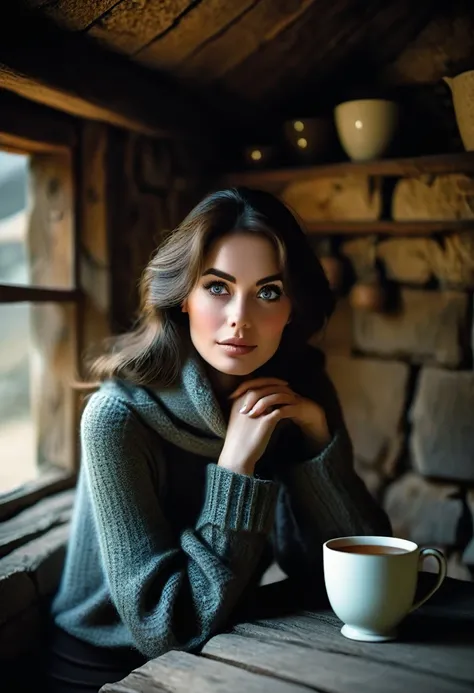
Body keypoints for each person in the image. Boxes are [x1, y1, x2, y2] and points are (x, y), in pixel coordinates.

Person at [45, 187, 392, 691]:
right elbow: (165, 627)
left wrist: (317, 446)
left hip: (226, 647)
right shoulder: (116, 417)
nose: (240, 318)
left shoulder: (300, 394)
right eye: (217, 287)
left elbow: (354, 578)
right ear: (182, 296)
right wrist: (234, 468)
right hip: (100, 669)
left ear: (292, 306)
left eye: (268, 291)